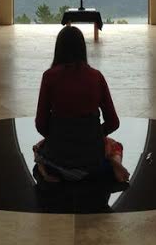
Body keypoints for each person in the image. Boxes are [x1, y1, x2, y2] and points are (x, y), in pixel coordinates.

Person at [33, 25, 130, 183]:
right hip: (92, 157)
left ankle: (46, 174)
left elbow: (40, 124)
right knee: (114, 146)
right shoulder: (96, 77)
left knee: (38, 148)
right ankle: (114, 164)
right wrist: (93, 135)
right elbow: (113, 122)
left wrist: (61, 136)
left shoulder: (49, 77)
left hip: (58, 155)